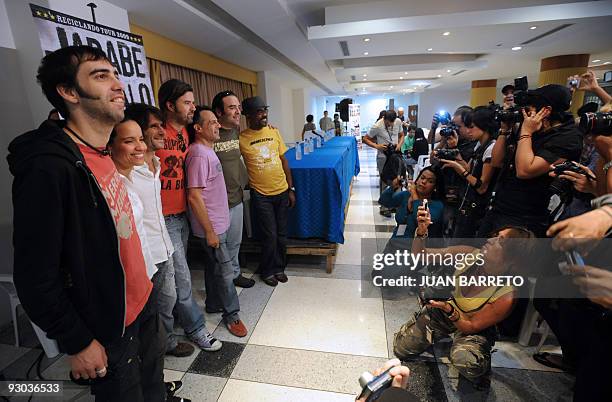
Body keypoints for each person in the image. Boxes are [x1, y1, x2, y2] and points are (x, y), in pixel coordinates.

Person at [8, 45, 169, 401]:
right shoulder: (49, 167)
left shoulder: (101, 151)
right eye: (101, 75)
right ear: (68, 92)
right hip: (109, 322)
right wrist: (77, 340)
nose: (118, 84)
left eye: (115, 74)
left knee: (154, 386)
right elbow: (36, 274)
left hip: (142, 299)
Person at [394, 206, 535, 386]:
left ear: (513, 258)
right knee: (401, 349)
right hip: (446, 311)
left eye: (500, 241)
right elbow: (420, 256)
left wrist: (449, 308)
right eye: (495, 235)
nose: (490, 240)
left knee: (466, 361)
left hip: (473, 325)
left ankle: (481, 363)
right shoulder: (469, 254)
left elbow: (470, 326)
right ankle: (437, 332)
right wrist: (421, 232)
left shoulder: (506, 296)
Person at [119, 103, 199, 359]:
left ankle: (163, 345)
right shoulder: (128, 170)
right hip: (144, 254)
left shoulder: (155, 162)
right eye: (154, 126)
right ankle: (156, 351)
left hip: (163, 245)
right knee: (154, 306)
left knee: (167, 300)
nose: (162, 131)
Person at [157, 79, 222, 353]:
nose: (192, 107)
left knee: (175, 281)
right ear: (170, 105)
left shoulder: (186, 131)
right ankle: (192, 330)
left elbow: (214, 130)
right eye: (187, 102)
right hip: (162, 218)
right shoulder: (154, 131)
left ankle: (170, 333)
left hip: (181, 215)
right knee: (178, 281)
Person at [480, 84, 583, 237]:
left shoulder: (568, 137)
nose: (525, 114)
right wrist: (504, 131)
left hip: (525, 217)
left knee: (506, 260)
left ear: (546, 111)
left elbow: (525, 170)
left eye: (529, 109)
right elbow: (497, 161)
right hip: (499, 206)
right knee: (480, 256)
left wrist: (526, 132)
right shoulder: (531, 127)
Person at [186, 106, 248, 338]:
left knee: (215, 268)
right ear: (198, 128)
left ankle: (213, 303)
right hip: (211, 227)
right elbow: (194, 196)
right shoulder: (199, 155)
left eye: (216, 121)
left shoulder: (207, 151)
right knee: (224, 272)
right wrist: (210, 231)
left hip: (218, 223)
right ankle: (232, 315)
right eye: (211, 122)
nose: (217, 125)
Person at [240, 96, 296, 286]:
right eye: (258, 111)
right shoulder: (241, 139)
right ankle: (267, 270)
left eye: (265, 110)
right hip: (261, 194)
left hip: (281, 190)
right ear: (247, 116)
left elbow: (284, 161)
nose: (263, 114)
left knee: (281, 234)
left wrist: (291, 188)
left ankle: (279, 267)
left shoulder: (274, 132)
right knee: (269, 235)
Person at [211, 90, 255, 289]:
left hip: (236, 198)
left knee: (235, 243)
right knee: (219, 249)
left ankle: (235, 274)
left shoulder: (236, 131)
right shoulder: (209, 133)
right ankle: (223, 283)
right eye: (231, 107)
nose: (238, 112)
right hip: (216, 204)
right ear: (218, 112)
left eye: (238, 107)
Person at [439, 106, 498, 238]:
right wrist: (456, 155)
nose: (468, 131)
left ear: (484, 127)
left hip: (479, 206)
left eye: (472, 127)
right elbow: (469, 169)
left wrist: (460, 169)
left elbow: (481, 187)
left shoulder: (491, 148)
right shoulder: (479, 145)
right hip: (467, 201)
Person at [378, 166, 444, 238]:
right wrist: (393, 187)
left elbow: (419, 220)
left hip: (416, 246)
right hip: (396, 241)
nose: (424, 182)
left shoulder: (437, 205)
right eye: (422, 178)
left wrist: (414, 195)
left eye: (430, 181)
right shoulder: (406, 195)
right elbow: (384, 201)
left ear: (435, 187)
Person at [364, 110, 406, 216]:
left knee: (398, 178)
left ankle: (395, 204)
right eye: (388, 124)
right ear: (384, 119)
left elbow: (402, 135)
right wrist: (377, 146)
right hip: (383, 156)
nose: (390, 125)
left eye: (392, 123)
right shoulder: (377, 126)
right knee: (385, 180)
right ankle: (384, 206)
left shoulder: (398, 122)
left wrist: (399, 145)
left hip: (396, 155)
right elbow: (365, 139)